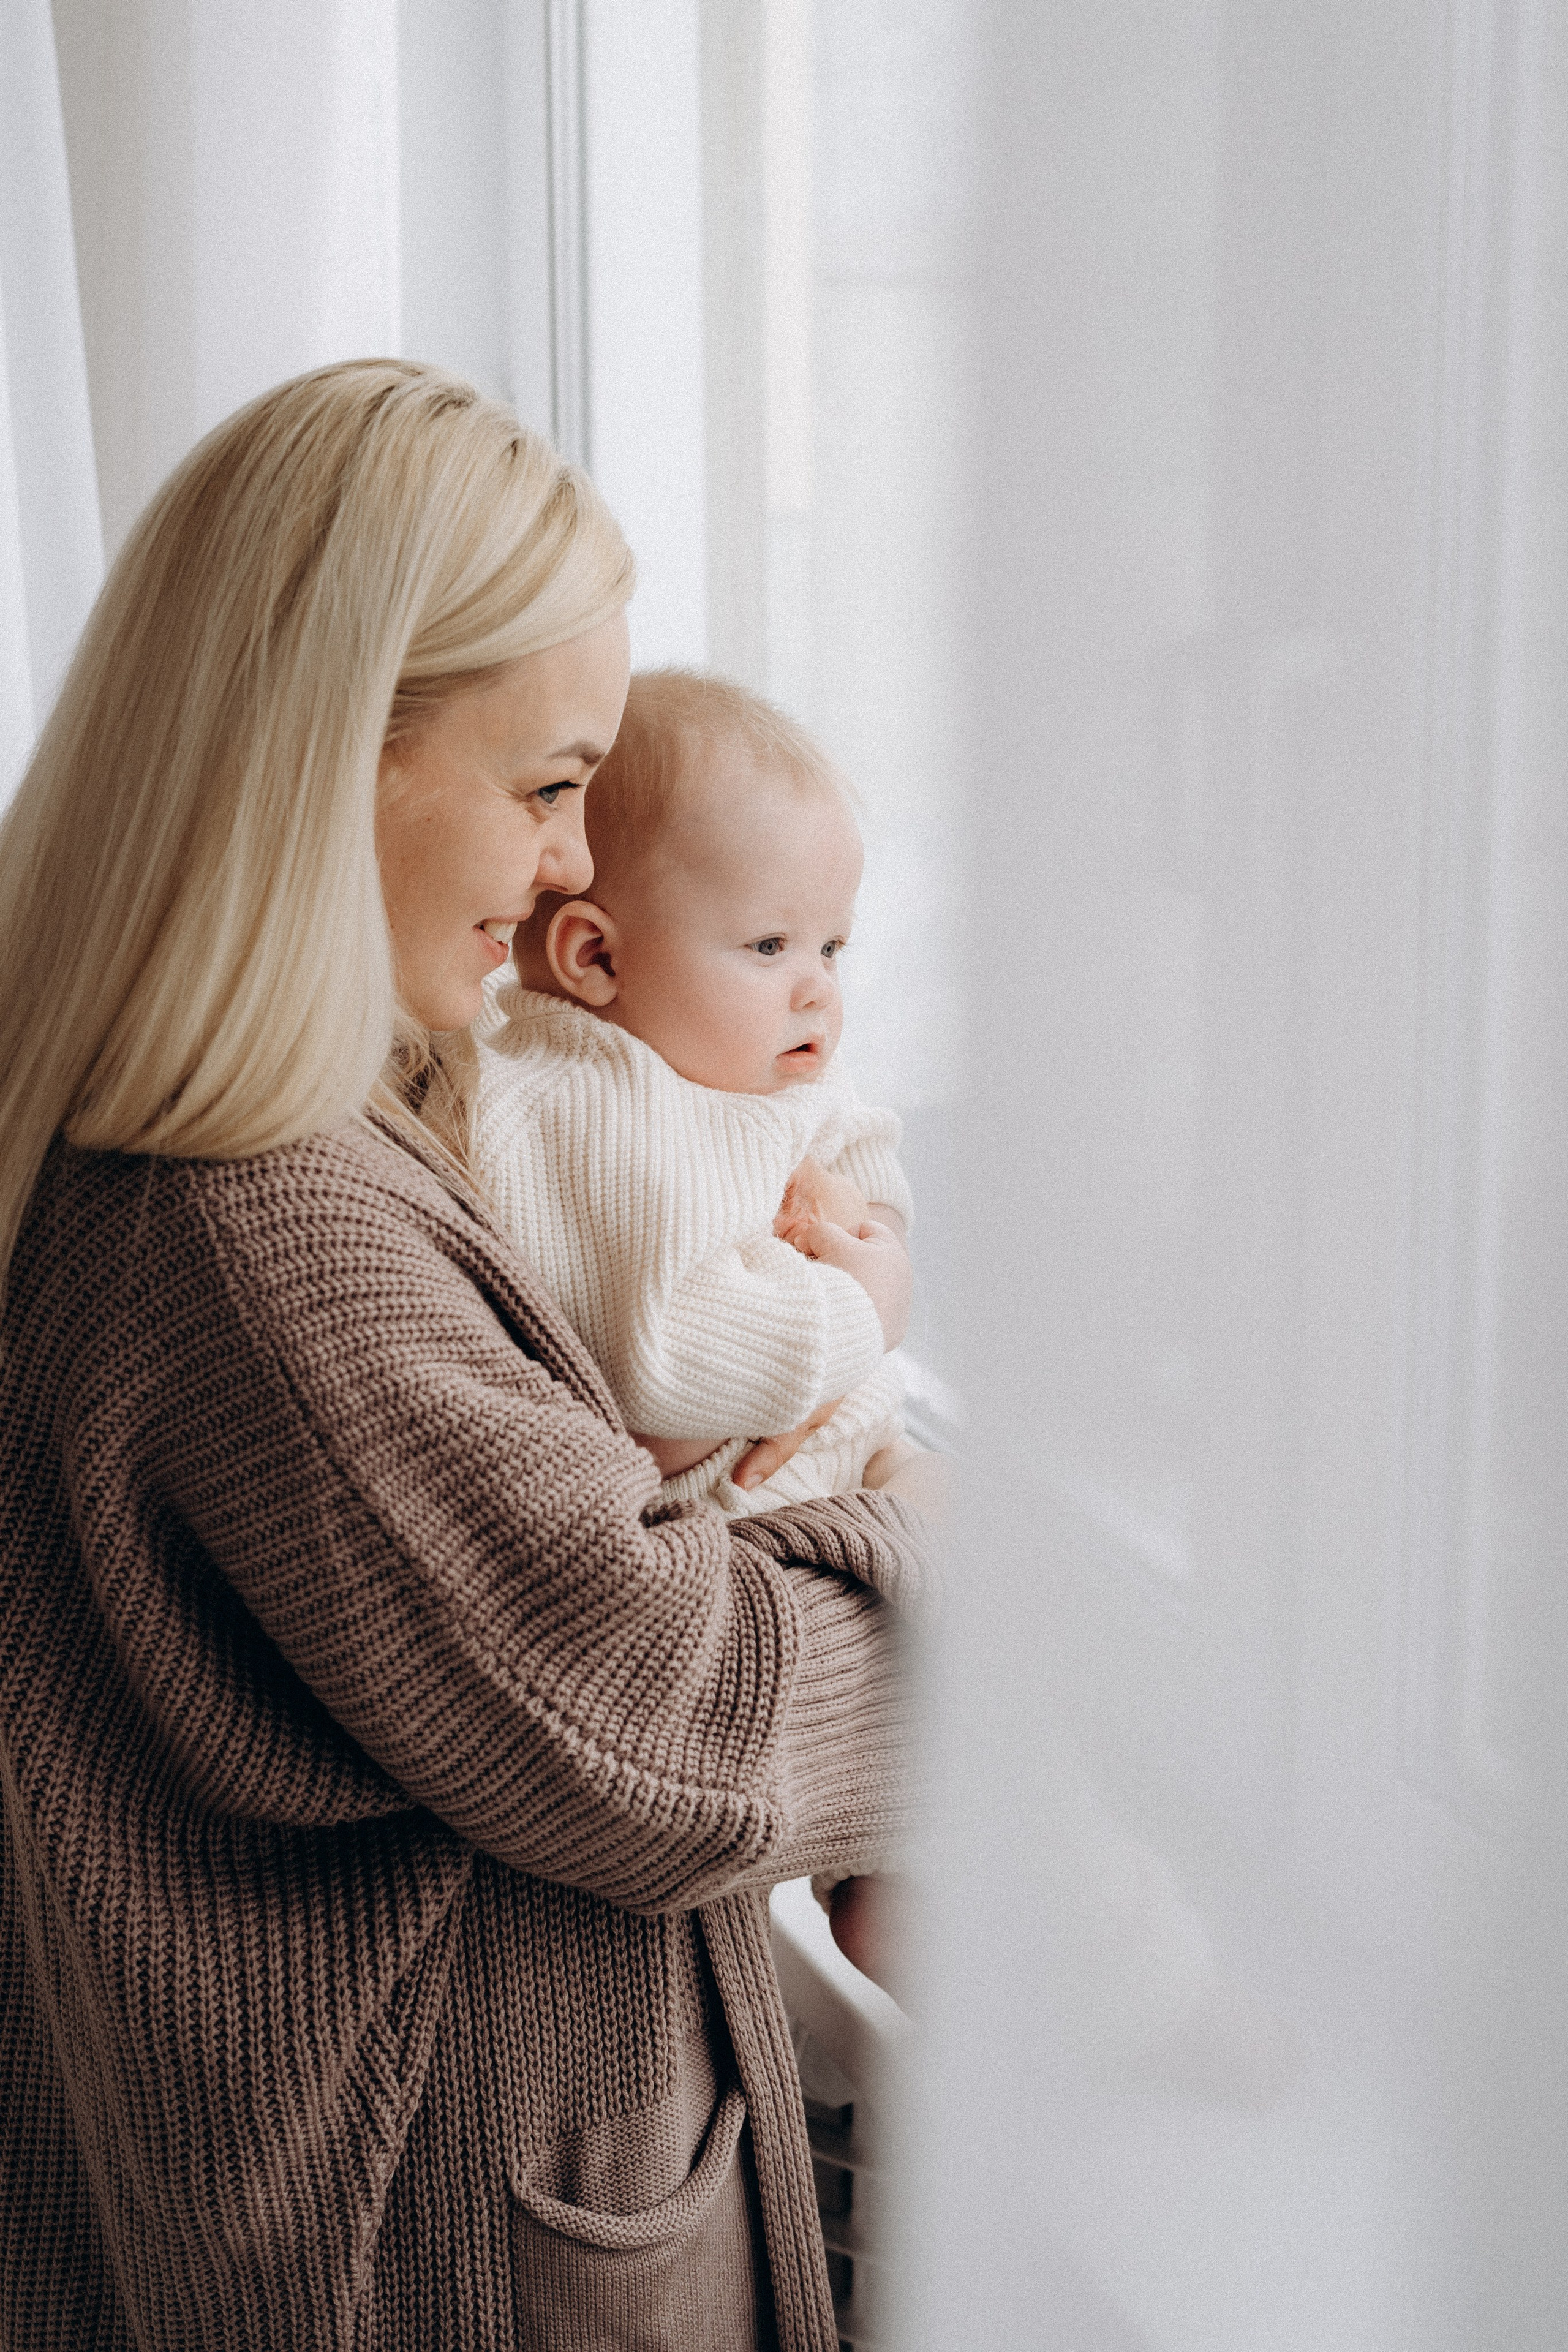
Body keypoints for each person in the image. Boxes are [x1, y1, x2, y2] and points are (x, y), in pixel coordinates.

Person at [0, 360, 929, 2352]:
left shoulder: (295, 1128)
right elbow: (661, 1727)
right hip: (430, 2253)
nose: (585, 868)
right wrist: (941, 1549)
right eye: (545, 785)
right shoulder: (252, 1230)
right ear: (334, 763)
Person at [473, 666, 938, 1519]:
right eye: (770, 947)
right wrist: (868, 1307)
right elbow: (666, 1359)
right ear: (598, 960)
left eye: (831, 948)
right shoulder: (572, 1108)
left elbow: (871, 1160)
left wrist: (885, 1247)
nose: (818, 990)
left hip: (856, 1438)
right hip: (745, 1504)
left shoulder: (770, 1060)